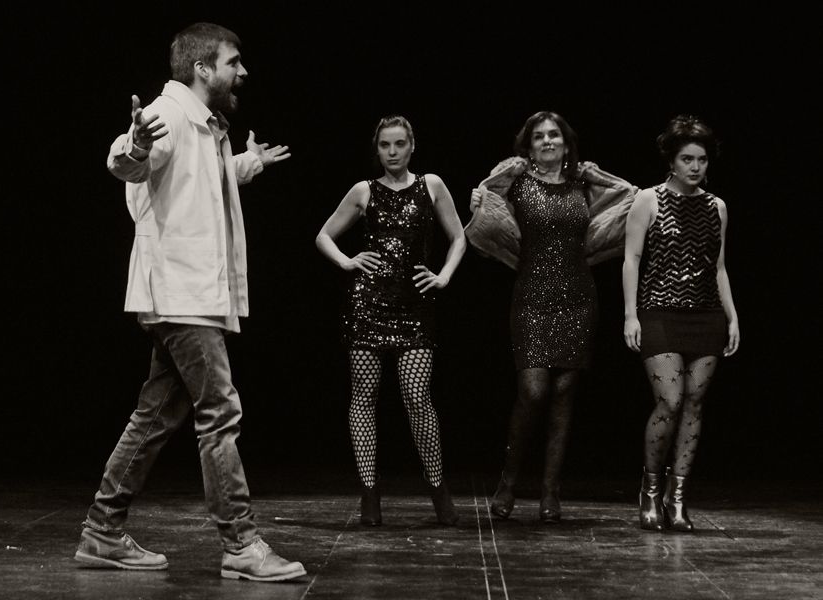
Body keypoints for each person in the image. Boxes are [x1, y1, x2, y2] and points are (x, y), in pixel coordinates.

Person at [74, 23, 306, 581]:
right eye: (233, 61)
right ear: (203, 68)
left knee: (155, 415)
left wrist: (245, 165)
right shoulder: (169, 114)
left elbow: (194, 183)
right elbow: (128, 163)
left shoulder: (205, 125)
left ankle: (103, 530)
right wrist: (134, 143)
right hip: (183, 295)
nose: (242, 71)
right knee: (220, 413)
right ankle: (241, 544)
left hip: (190, 293)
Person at [469, 111, 635, 524]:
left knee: (563, 395)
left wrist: (593, 173)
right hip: (531, 296)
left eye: (554, 135)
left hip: (578, 297)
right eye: (539, 136)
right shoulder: (517, 183)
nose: (547, 141)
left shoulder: (583, 185)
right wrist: (479, 204)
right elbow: (488, 221)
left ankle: (550, 491)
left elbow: (626, 198)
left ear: (566, 142)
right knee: (534, 391)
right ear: (528, 146)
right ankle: (508, 482)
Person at [315, 116, 466, 526]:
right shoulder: (363, 190)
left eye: (399, 144)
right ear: (377, 149)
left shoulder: (431, 185)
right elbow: (323, 235)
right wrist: (347, 262)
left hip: (414, 307)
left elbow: (459, 237)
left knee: (417, 397)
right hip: (367, 305)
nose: (393, 152)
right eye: (385, 145)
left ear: (412, 145)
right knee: (363, 397)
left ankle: (438, 488)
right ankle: (369, 493)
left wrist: (444, 276)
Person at [622, 115, 740, 532]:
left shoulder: (716, 207)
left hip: (705, 314)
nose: (695, 167)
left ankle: (677, 499)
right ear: (671, 161)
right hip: (659, 312)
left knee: (694, 404)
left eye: (702, 160)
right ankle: (650, 490)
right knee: (670, 401)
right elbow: (631, 259)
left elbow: (719, 267)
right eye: (687, 159)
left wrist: (732, 317)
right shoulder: (648, 200)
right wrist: (630, 314)